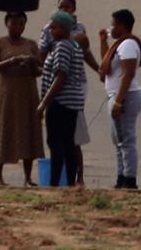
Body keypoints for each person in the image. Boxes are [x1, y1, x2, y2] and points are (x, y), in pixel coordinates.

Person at [0, 9, 44, 186]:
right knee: (3, 129)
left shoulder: (31, 44)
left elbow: (40, 70)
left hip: (27, 92)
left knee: (28, 131)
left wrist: (32, 63)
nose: (17, 27)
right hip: (7, 92)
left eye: (21, 23)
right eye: (13, 23)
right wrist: (11, 61)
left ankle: (27, 177)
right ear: (6, 23)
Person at [36, 10, 89, 187]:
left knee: (56, 143)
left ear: (64, 29)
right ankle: (69, 183)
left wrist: (44, 103)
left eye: (54, 27)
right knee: (68, 143)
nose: (50, 30)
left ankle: (54, 183)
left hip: (61, 101)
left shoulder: (63, 47)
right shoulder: (74, 46)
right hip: (73, 102)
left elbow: (61, 75)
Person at [101, 8, 141, 189]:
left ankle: (130, 179)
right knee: (118, 140)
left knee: (126, 140)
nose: (111, 28)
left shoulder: (127, 44)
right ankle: (121, 177)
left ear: (122, 26)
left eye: (113, 24)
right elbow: (106, 63)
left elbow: (128, 73)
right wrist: (103, 41)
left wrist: (119, 101)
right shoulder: (118, 44)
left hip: (126, 96)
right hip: (118, 95)